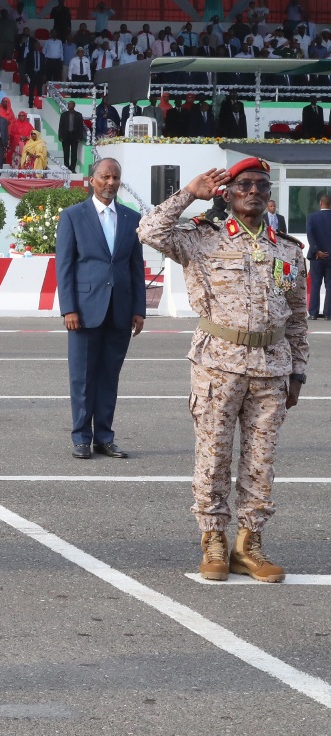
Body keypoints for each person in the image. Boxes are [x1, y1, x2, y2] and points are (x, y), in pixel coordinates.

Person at [137, 158, 308, 583]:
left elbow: (298, 317)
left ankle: (248, 545)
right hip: (218, 365)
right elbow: (149, 231)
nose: (254, 191)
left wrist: (299, 372)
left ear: (270, 195)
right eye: (244, 185)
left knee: (260, 461)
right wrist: (188, 194)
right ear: (227, 195)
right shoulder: (202, 240)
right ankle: (213, 539)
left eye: (262, 186)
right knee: (213, 455)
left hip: (272, 368)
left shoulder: (287, 250)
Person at [56, 158, 145, 460]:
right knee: (82, 377)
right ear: (91, 180)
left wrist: (139, 309)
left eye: (116, 177)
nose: (111, 183)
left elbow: (135, 268)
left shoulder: (132, 218)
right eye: (105, 177)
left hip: (120, 310)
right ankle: (81, 437)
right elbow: (64, 267)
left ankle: (104, 437)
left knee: (109, 377)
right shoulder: (72, 217)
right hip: (83, 311)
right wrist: (68, 308)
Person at [308, 194, 331, 319]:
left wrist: (316, 251)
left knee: (315, 285)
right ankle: (328, 314)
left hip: (317, 258)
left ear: (320, 203)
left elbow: (310, 235)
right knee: (330, 285)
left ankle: (313, 313)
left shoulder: (312, 217)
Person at [59, 100, 85, 170]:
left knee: (74, 153)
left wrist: (80, 137)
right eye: (69, 104)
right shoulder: (63, 115)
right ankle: (66, 167)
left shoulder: (79, 115)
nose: (70, 106)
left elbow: (80, 127)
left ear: (74, 105)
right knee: (66, 153)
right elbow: (61, 126)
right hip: (65, 136)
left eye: (71, 104)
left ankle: (73, 167)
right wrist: (60, 136)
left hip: (75, 136)